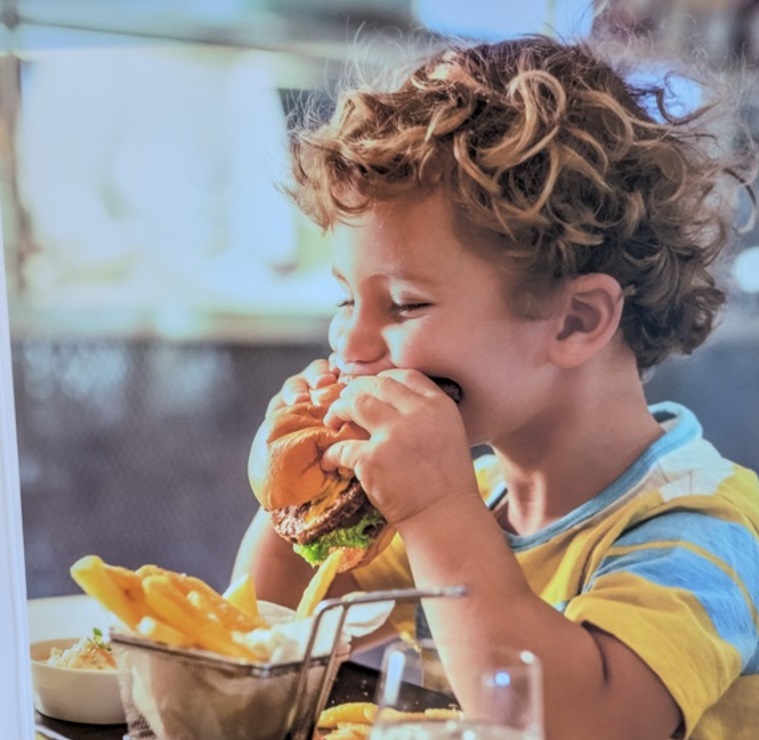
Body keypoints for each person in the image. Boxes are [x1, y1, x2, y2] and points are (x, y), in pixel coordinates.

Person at [232, 33, 759, 739]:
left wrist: (436, 510)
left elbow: (587, 724)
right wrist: (294, 498)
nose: (350, 347)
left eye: (405, 304)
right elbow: (265, 631)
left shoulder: (703, 528)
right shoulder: (472, 496)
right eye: (343, 301)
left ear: (575, 320)